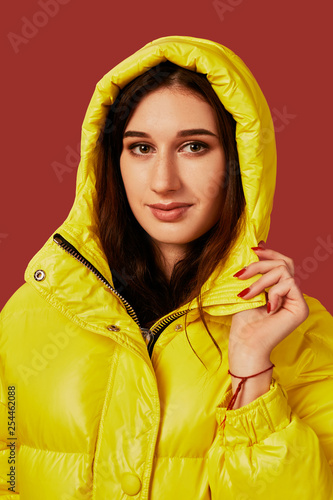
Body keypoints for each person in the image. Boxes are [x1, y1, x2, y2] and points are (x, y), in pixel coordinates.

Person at [0, 35, 332, 499]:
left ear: (240, 162)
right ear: (111, 162)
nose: (163, 181)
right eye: (141, 148)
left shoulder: (300, 340)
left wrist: (252, 372)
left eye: (194, 147)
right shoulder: (32, 313)